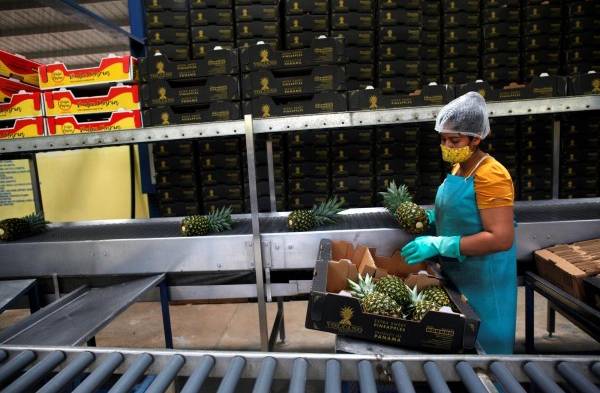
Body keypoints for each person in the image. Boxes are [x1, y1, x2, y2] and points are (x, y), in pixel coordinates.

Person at [401, 92, 517, 354]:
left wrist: (442, 243)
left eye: (455, 140)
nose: (447, 146)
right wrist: (428, 222)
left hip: (485, 281)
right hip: (460, 274)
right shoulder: (459, 168)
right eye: (443, 140)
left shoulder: (491, 174)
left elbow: (501, 238)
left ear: (476, 139)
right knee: (462, 349)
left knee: (487, 350)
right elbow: (460, 214)